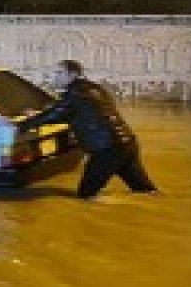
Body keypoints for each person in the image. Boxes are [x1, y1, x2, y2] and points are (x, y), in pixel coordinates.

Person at [18, 59, 158, 200]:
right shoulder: (96, 89)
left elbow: (54, 115)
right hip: (128, 143)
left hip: (107, 150)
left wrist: (21, 126)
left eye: (60, 73)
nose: (56, 77)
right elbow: (72, 111)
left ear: (72, 75)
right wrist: (43, 113)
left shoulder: (75, 95)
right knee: (145, 191)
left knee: (85, 197)